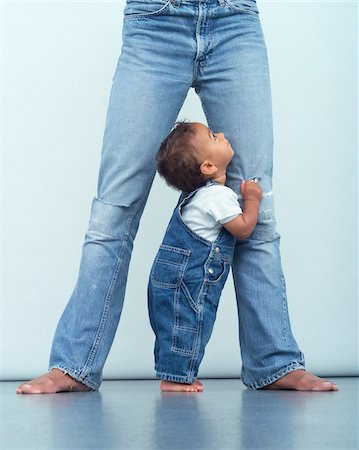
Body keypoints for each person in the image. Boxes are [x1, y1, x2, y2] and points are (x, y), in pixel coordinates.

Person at [16, 0, 338, 394]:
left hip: (235, 21)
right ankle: (74, 365)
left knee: (258, 207)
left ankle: (275, 362)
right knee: (112, 212)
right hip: (154, 22)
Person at [148, 120, 262, 392]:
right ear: (208, 167)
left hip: (172, 272)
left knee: (173, 324)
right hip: (189, 276)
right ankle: (175, 379)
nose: (222, 133)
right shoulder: (217, 197)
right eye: (214, 136)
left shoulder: (198, 195)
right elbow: (243, 229)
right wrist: (253, 200)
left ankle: (174, 373)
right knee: (189, 323)